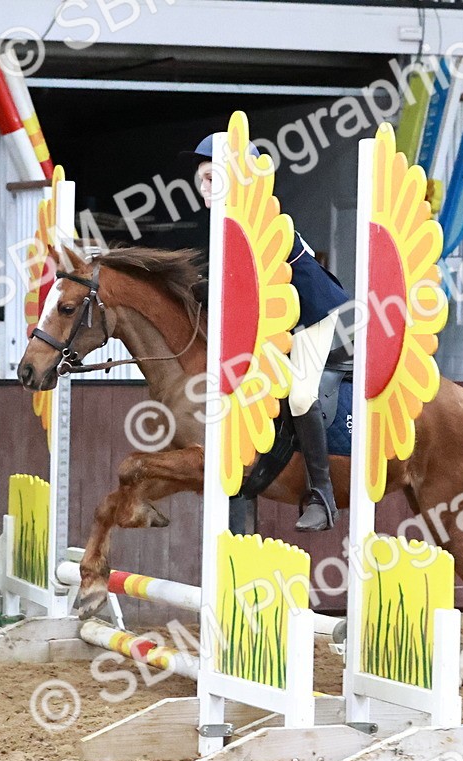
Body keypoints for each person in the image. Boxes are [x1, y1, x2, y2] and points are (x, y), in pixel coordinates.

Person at [185, 133, 350, 531]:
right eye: (202, 178)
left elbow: (256, 290)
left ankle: (323, 496)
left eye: (211, 178)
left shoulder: (265, 223)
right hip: (285, 319)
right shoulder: (230, 225)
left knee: (301, 393)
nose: (203, 187)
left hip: (316, 315)